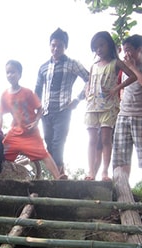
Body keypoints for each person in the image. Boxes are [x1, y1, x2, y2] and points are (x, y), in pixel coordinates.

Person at [35, 28, 89, 176]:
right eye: (53, 45)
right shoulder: (44, 67)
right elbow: (38, 89)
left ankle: (58, 175)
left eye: (59, 45)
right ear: (49, 45)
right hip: (46, 111)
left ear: (65, 46)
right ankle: (60, 173)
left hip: (63, 110)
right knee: (49, 143)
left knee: (58, 143)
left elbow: (90, 80)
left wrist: (77, 99)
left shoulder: (72, 64)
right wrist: (36, 110)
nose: (56, 48)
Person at [0, 60, 66, 180]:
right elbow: (0, 115)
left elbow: (40, 109)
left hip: (30, 133)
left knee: (43, 154)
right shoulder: (5, 95)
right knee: (0, 153)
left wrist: (36, 123)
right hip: (15, 133)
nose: (10, 75)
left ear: (19, 74)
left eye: (13, 72)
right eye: (8, 72)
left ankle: (58, 178)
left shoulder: (27, 92)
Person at [85, 31, 136, 181]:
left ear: (109, 45)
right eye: (96, 47)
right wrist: (88, 92)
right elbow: (89, 82)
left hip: (108, 105)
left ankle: (105, 172)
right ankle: (91, 171)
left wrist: (116, 88)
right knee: (92, 140)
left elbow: (132, 76)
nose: (99, 49)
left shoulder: (116, 63)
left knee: (106, 139)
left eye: (102, 45)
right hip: (92, 106)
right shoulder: (93, 66)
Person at [112, 35, 142, 178]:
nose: (126, 54)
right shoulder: (123, 69)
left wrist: (132, 67)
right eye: (124, 51)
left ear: (140, 49)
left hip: (141, 116)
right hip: (123, 115)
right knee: (120, 158)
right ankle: (122, 190)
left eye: (129, 50)